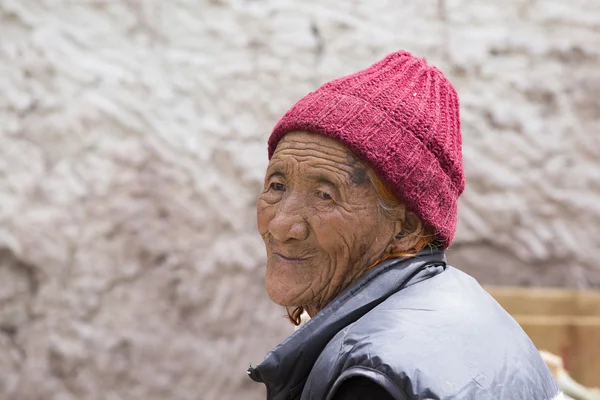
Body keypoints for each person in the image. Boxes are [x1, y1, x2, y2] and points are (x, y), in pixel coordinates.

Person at [248, 50, 561, 400]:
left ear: (408, 227)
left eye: (325, 195)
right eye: (277, 185)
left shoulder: (373, 380)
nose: (281, 225)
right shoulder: (466, 302)